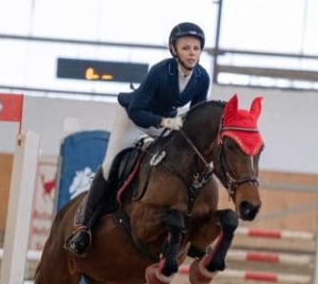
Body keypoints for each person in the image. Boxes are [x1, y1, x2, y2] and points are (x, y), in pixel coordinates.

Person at [65, 21, 211, 257]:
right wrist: (164, 122)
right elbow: (137, 111)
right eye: (186, 48)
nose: (192, 53)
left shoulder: (202, 77)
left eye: (196, 48)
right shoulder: (161, 71)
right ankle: (84, 227)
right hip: (132, 118)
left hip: (166, 122)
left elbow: (198, 112)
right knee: (110, 166)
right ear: (175, 50)